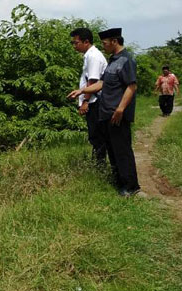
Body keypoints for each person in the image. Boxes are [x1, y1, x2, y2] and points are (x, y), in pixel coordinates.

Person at [68, 28, 140, 197]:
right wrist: (81, 91)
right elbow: (101, 83)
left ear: (114, 41)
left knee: (122, 150)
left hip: (117, 114)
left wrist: (121, 108)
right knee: (113, 149)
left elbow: (131, 86)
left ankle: (131, 186)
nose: (103, 46)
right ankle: (119, 182)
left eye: (105, 43)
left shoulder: (126, 60)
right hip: (107, 112)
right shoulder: (113, 60)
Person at [70, 27, 108, 166]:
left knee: (97, 135)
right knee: (95, 135)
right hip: (93, 99)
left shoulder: (93, 56)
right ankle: (99, 163)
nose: (74, 45)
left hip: (95, 101)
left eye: (76, 42)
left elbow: (93, 81)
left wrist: (85, 101)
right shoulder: (89, 55)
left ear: (86, 42)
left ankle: (100, 165)